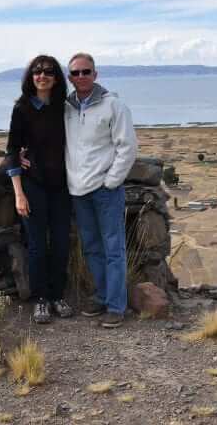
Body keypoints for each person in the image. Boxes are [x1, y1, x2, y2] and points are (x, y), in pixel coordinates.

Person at [64, 52, 138, 329]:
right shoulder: (67, 107)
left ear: (96, 74)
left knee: (113, 249)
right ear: (69, 77)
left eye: (86, 71)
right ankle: (103, 295)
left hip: (105, 190)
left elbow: (127, 147)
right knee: (92, 248)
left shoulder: (113, 105)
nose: (81, 76)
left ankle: (116, 306)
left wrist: (111, 181)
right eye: (75, 72)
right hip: (78, 190)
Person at [5, 55, 74, 324]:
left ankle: (58, 295)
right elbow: (12, 150)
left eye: (47, 71)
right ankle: (41, 300)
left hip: (62, 186)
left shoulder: (63, 107)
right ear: (30, 77)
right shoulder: (22, 108)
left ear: (56, 77)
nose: (41, 76)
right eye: (36, 71)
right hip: (33, 185)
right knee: (36, 245)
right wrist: (19, 193)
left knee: (60, 243)